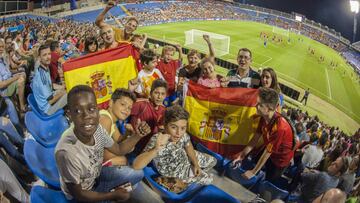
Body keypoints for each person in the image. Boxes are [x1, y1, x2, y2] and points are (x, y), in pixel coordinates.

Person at [55, 85, 147, 202]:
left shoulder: (98, 129)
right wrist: (113, 195)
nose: (87, 116)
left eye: (91, 109)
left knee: (138, 174)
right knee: (128, 181)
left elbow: (118, 148)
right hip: (82, 195)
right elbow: (79, 195)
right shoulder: (66, 152)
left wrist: (137, 135)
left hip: (96, 175)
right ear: (69, 114)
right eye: (78, 111)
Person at [132, 105, 217, 185]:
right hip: (175, 172)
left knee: (213, 161)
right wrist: (156, 148)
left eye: (183, 128)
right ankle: (171, 182)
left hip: (184, 158)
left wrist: (196, 164)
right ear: (165, 125)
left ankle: (194, 171)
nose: (178, 133)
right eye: (173, 127)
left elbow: (188, 145)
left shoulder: (182, 134)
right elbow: (136, 165)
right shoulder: (157, 139)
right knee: (208, 180)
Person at [232, 87, 294, 182]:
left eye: (260, 104)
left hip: (280, 160)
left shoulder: (280, 128)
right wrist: (242, 155)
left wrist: (253, 172)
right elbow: (255, 139)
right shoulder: (264, 117)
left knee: (269, 179)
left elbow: (268, 152)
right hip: (271, 152)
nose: (256, 106)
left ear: (270, 108)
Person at [100, 88, 150, 166]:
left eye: (129, 108)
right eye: (123, 104)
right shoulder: (105, 119)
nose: (126, 110)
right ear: (111, 103)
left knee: (126, 156)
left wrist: (128, 134)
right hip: (86, 166)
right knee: (130, 168)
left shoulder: (112, 121)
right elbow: (98, 152)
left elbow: (119, 141)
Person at [131, 79, 167, 151]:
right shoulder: (141, 104)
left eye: (162, 94)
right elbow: (123, 110)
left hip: (150, 148)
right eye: (156, 93)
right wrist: (130, 91)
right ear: (150, 93)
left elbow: (161, 130)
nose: (159, 97)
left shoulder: (164, 110)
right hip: (135, 146)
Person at [31, 44, 67, 115]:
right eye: (44, 55)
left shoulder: (45, 67)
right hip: (48, 110)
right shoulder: (41, 75)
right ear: (39, 58)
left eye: (49, 54)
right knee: (70, 94)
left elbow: (50, 85)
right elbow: (50, 101)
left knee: (66, 89)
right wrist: (64, 92)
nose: (48, 57)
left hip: (50, 100)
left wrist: (63, 87)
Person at [0, 39, 27, 113]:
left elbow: (9, 72)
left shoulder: (2, 59)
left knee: (22, 74)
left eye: (2, 47)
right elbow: (1, 85)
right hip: (3, 90)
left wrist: (17, 73)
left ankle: (18, 100)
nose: (1, 49)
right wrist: (16, 77)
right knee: (21, 80)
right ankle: (22, 107)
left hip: (8, 82)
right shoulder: (6, 56)